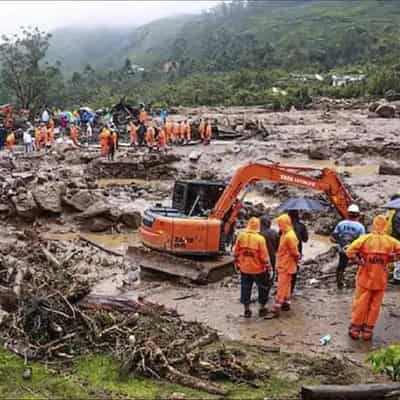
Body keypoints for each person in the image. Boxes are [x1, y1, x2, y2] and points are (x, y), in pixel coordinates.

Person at [346, 215, 400, 340]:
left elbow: (349, 251)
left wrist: (358, 260)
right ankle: (367, 331)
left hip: (365, 277)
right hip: (380, 279)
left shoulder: (366, 239)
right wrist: (391, 258)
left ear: (374, 224)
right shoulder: (390, 241)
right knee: (375, 306)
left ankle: (355, 329)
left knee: (361, 303)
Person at [234, 217, 272, 318]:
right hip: (258, 269)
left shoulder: (241, 236)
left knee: (245, 288)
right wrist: (269, 267)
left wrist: (237, 263)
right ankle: (261, 307)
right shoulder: (260, 239)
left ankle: (247, 309)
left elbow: (236, 252)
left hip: (244, 268)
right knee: (263, 287)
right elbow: (264, 256)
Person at [272, 214, 300, 316]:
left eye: (280, 224)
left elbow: (295, 252)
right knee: (287, 284)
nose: (279, 226)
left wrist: (297, 258)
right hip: (285, 262)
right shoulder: (286, 233)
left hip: (286, 264)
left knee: (282, 284)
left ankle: (277, 306)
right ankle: (286, 302)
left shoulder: (289, 236)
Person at [332, 204, 365, 290]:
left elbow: (334, 235)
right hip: (355, 251)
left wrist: (341, 243)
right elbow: (362, 241)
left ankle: (340, 284)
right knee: (360, 265)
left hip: (342, 249)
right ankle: (359, 282)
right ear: (358, 215)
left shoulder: (341, 223)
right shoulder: (360, 227)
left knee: (341, 266)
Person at [287, 210, 309, 294]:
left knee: (285, 270)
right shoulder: (301, 226)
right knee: (294, 269)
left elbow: (279, 238)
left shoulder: (285, 226)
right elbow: (305, 239)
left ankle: (284, 289)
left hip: (285, 252)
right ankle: (291, 289)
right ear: (298, 216)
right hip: (297, 251)